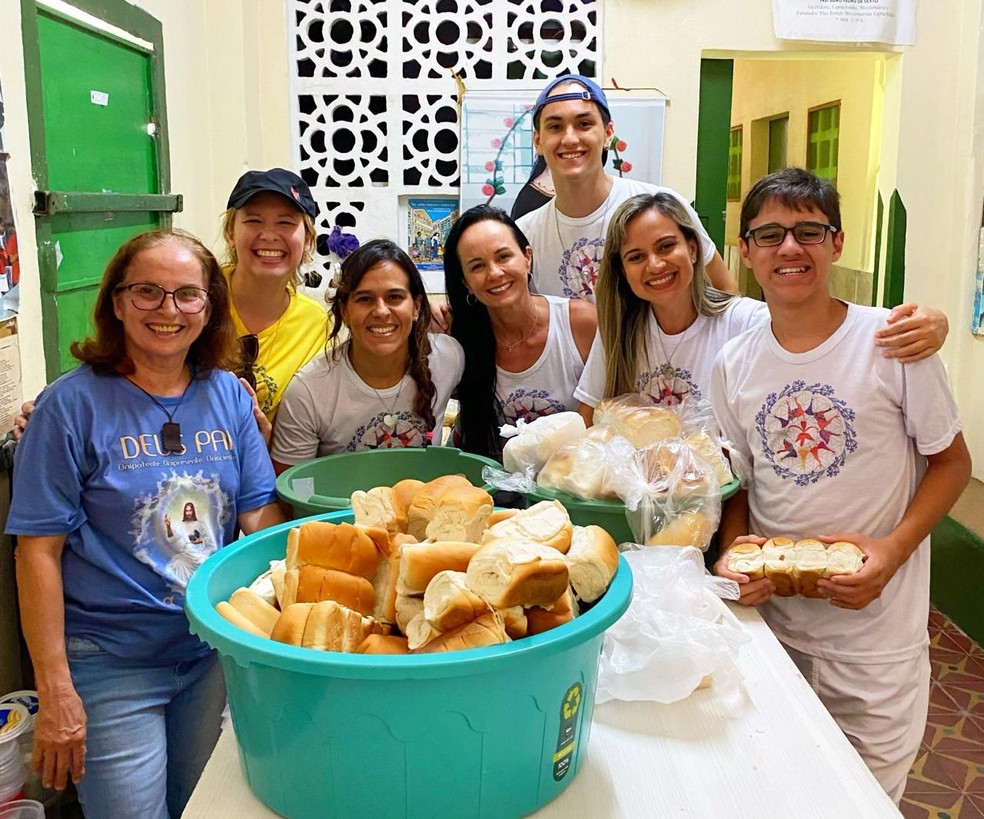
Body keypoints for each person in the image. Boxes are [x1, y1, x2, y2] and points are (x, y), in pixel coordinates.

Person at [710, 168, 971, 803]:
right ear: (745, 250)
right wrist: (735, 552)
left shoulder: (892, 342)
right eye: (769, 234)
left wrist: (893, 550)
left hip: (875, 645)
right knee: (780, 794)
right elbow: (741, 482)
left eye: (809, 231)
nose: (789, 248)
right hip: (775, 633)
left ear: (838, 242)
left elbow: (952, 464)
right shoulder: (734, 362)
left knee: (866, 801)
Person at [5, 229, 284, 819]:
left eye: (188, 294)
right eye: (147, 292)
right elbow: (37, 552)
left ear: (209, 307)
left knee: (204, 806)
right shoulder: (69, 406)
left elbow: (259, 515)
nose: (168, 309)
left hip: (208, 651)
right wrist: (56, 688)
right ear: (116, 301)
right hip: (111, 661)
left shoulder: (230, 397)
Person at [574, 192, 950, 421]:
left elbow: (826, 326)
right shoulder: (619, 331)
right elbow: (588, 418)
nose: (655, 265)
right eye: (636, 256)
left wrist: (934, 321)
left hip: (727, 502)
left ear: (693, 249)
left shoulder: (744, 321)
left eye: (666, 246)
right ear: (622, 270)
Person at [515, 73, 739, 301]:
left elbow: (725, 291)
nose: (570, 139)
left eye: (584, 124)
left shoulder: (665, 210)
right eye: (555, 127)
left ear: (608, 133)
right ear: (538, 141)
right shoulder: (524, 234)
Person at [271, 239, 464, 468]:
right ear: (344, 310)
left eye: (394, 297)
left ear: (416, 306)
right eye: (365, 299)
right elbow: (293, 484)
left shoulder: (448, 357)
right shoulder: (308, 391)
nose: (381, 311)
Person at [444, 204, 595, 460]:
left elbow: (607, 417)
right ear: (465, 282)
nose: (495, 273)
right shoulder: (459, 339)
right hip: (486, 479)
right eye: (477, 266)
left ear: (527, 257)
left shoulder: (581, 324)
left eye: (503, 257)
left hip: (570, 478)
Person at [221, 167, 329, 422]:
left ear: (308, 240)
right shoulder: (196, 298)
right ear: (230, 233)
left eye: (285, 223)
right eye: (253, 221)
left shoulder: (315, 325)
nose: (269, 235)